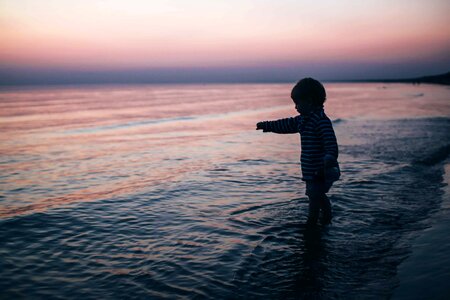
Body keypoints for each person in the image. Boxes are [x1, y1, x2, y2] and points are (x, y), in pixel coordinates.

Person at [256, 78, 340, 225]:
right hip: (310, 169)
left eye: (297, 103)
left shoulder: (321, 121)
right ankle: (326, 217)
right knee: (317, 195)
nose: (295, 107)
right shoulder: (302, 120)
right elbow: (285, 124)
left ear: (309, 101)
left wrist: (328, 159)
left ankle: (312, 222)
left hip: (320, 170)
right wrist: (267, 126)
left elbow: (331, 144)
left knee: (314, 196)